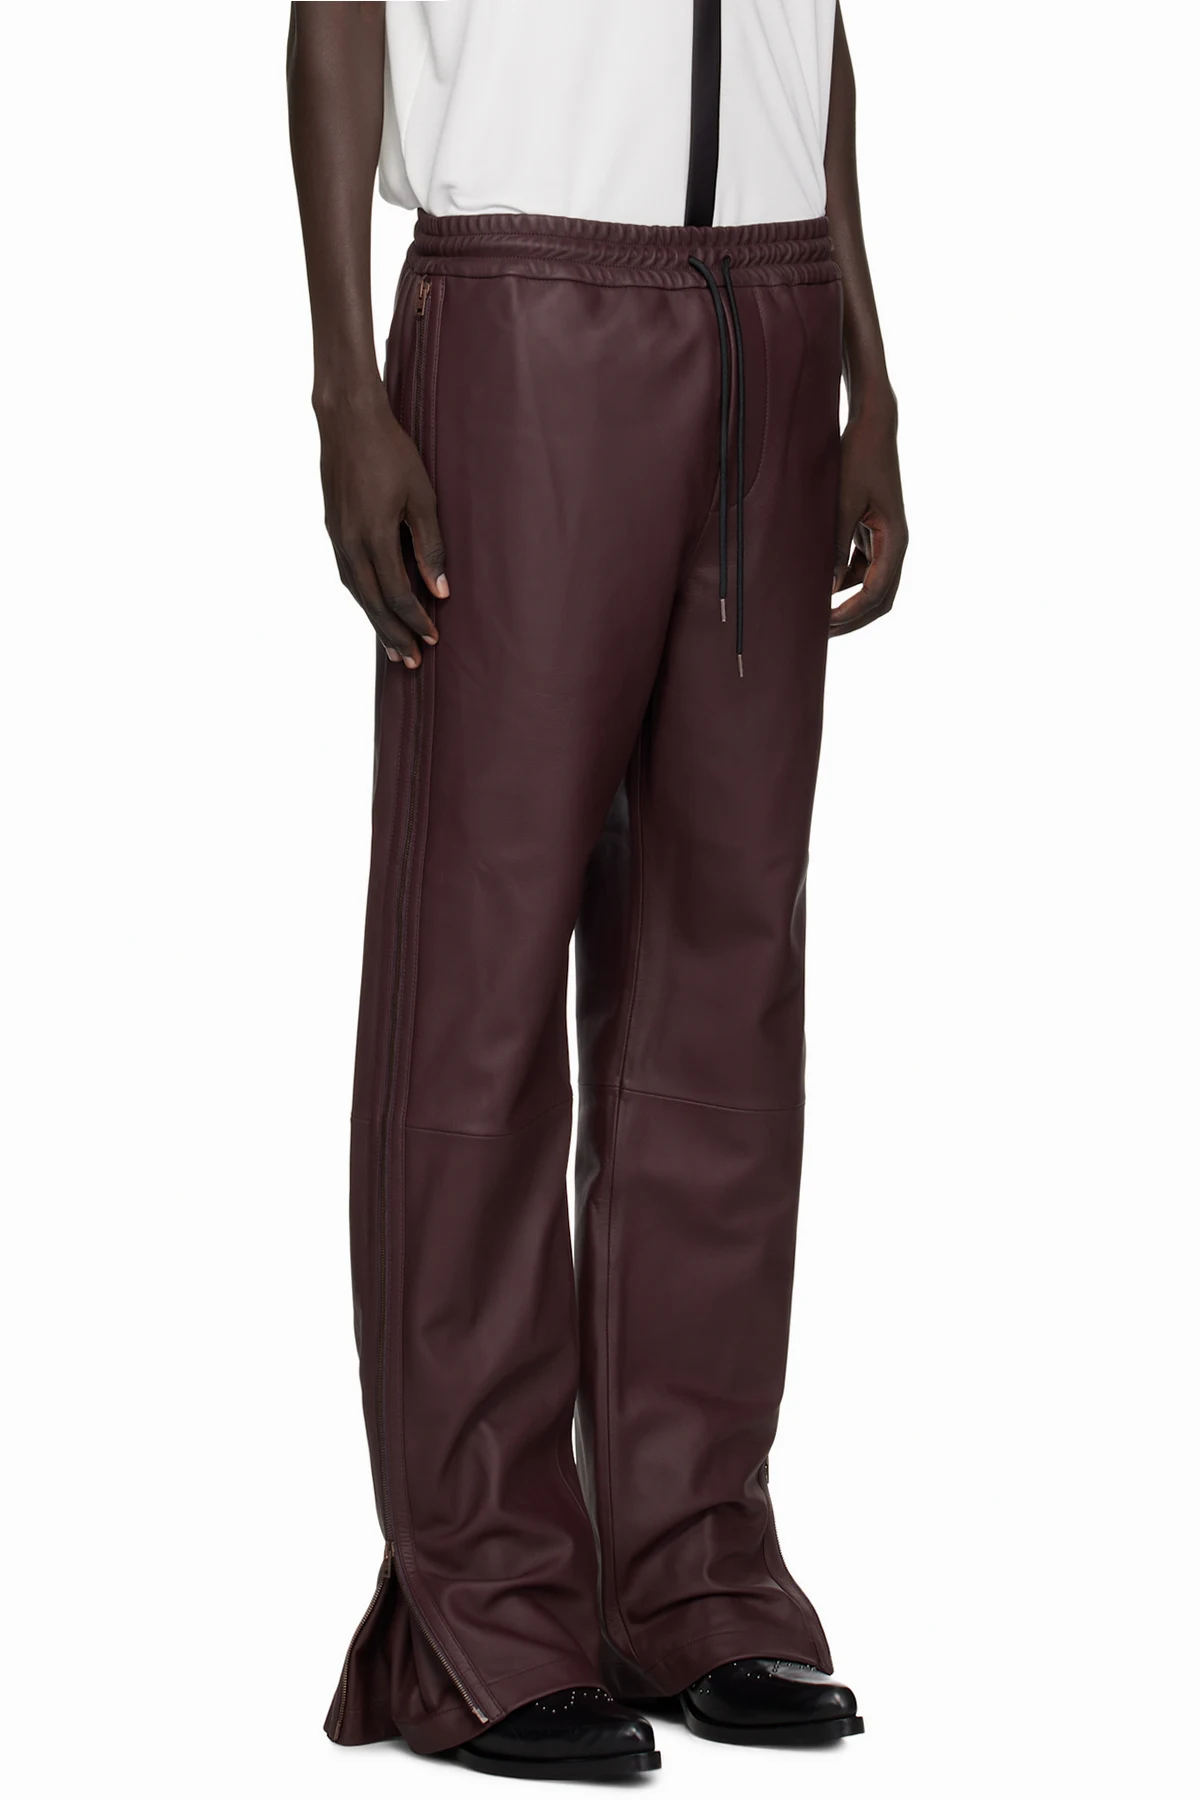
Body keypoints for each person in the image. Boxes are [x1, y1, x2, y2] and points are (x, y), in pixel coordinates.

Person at [288, 0, 906, 1780]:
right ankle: (481, 1604)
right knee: (478, 973)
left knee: (727, 979)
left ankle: (694, 1570)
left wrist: (869, 374)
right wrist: (347, 390)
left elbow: (815, 42)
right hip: (519, 308)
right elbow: (333, 19)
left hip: (773, 323)